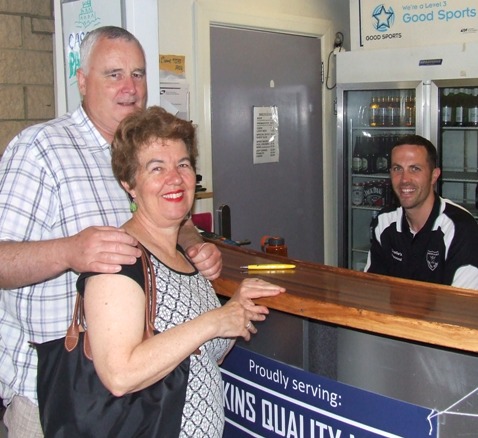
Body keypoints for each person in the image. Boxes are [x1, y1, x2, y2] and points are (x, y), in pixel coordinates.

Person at [0, 26, 221, 437]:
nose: (130, 87)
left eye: (138, 74)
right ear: (82, 81)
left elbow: (170, 217)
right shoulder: (41, 149)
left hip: (147, 394)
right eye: (113, 74)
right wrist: (69, 251)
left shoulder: (143, 147)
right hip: (58, 394)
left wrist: (192, 243)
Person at [75, 105, 285, 436]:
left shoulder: (184, 258)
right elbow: (120, 375)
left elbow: (203, 355)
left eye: (183, 164)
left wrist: (235, 310)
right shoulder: (119, 261)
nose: (175, 178)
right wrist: (213, 320)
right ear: (129, 183)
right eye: (156, 168)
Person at [365, 134, 478, 289]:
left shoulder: (460, 228)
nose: (404, 179)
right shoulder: (385, 221)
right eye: (397, 168)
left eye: (415, 169)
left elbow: (461, 305)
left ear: (434, 175)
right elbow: (373, 288)